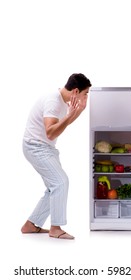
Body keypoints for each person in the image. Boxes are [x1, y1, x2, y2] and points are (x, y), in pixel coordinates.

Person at [21, 73, 92, 239]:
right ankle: (55, 228)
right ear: (75, 91)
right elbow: (51, 133)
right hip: (36, 147)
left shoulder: (61, 100)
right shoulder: (53, 102)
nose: (86, 96)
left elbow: (61, 126)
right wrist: (69, 114)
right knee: (61, 182)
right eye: (85, 93)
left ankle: (31, 225)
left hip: (45, 147)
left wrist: (78, 111)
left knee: (54, 187)